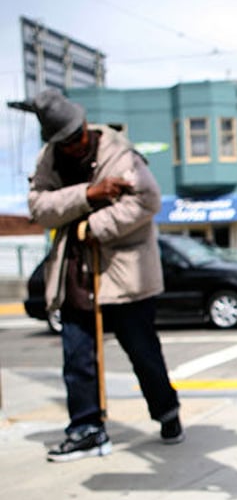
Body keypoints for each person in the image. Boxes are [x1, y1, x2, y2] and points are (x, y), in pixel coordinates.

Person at [27, 88, 183, 462]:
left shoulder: (119, 152)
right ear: (57, 142)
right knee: (77, 352)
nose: (77, 143)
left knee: (142, 349)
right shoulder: (49, 159)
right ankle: (86, 428)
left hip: (124, 270)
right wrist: (90, 193)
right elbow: (39, 206)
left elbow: (147, 201)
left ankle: (166, 411)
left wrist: (95, 225)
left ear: (85, 125)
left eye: (79, 134)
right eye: (67, 141)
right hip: (76, 269)